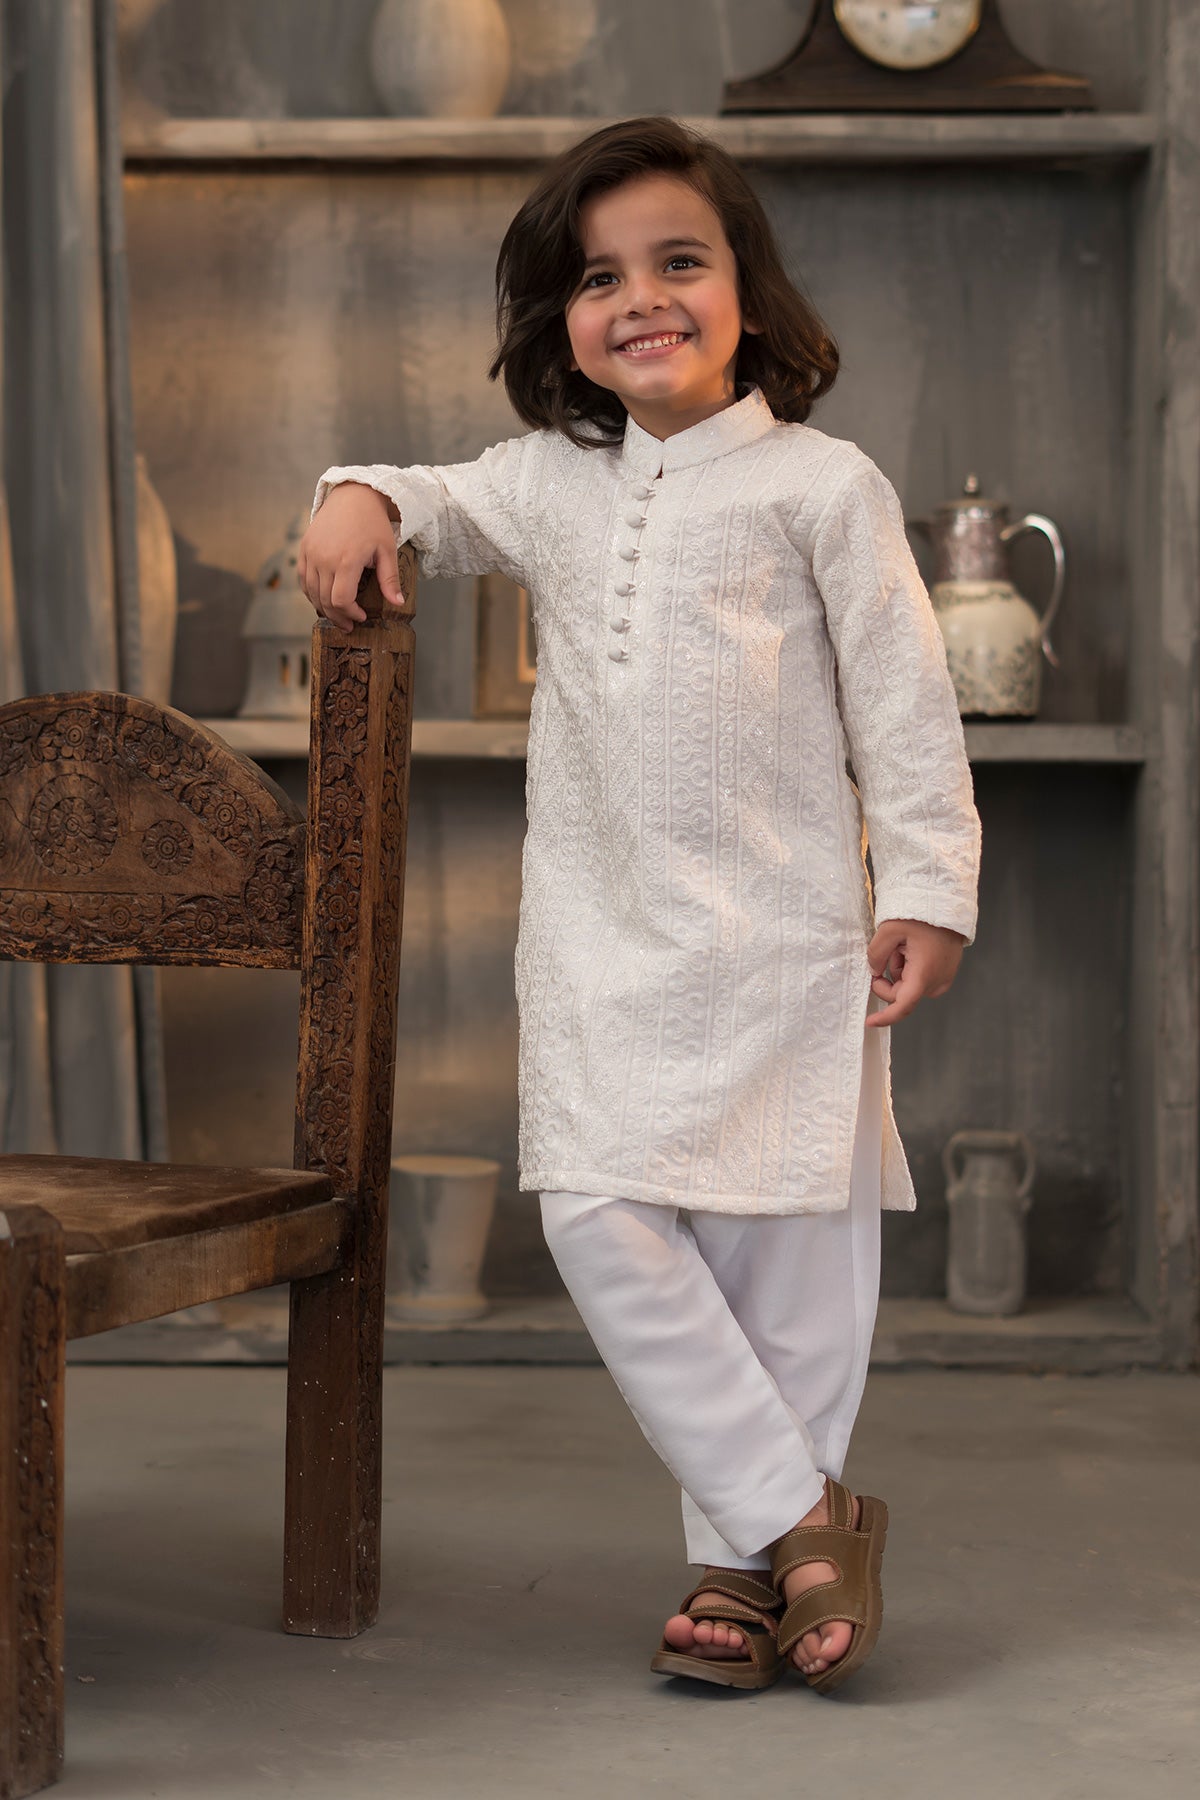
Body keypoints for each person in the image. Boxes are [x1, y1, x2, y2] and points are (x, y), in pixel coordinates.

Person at [300, 115, 980, 1695]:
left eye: (679, 261)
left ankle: (741, 1572)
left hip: (787, 948)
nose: (642, 299)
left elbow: (906, 705)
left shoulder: (821, 485)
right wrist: (355, 494)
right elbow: (426, 496)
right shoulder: (552, 482)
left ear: (749, 289)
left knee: (785, 1274)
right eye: (600, 278)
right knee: (601, 1220)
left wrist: (930, 889)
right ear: (562, 322)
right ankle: (809, 1521)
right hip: (602, 949)